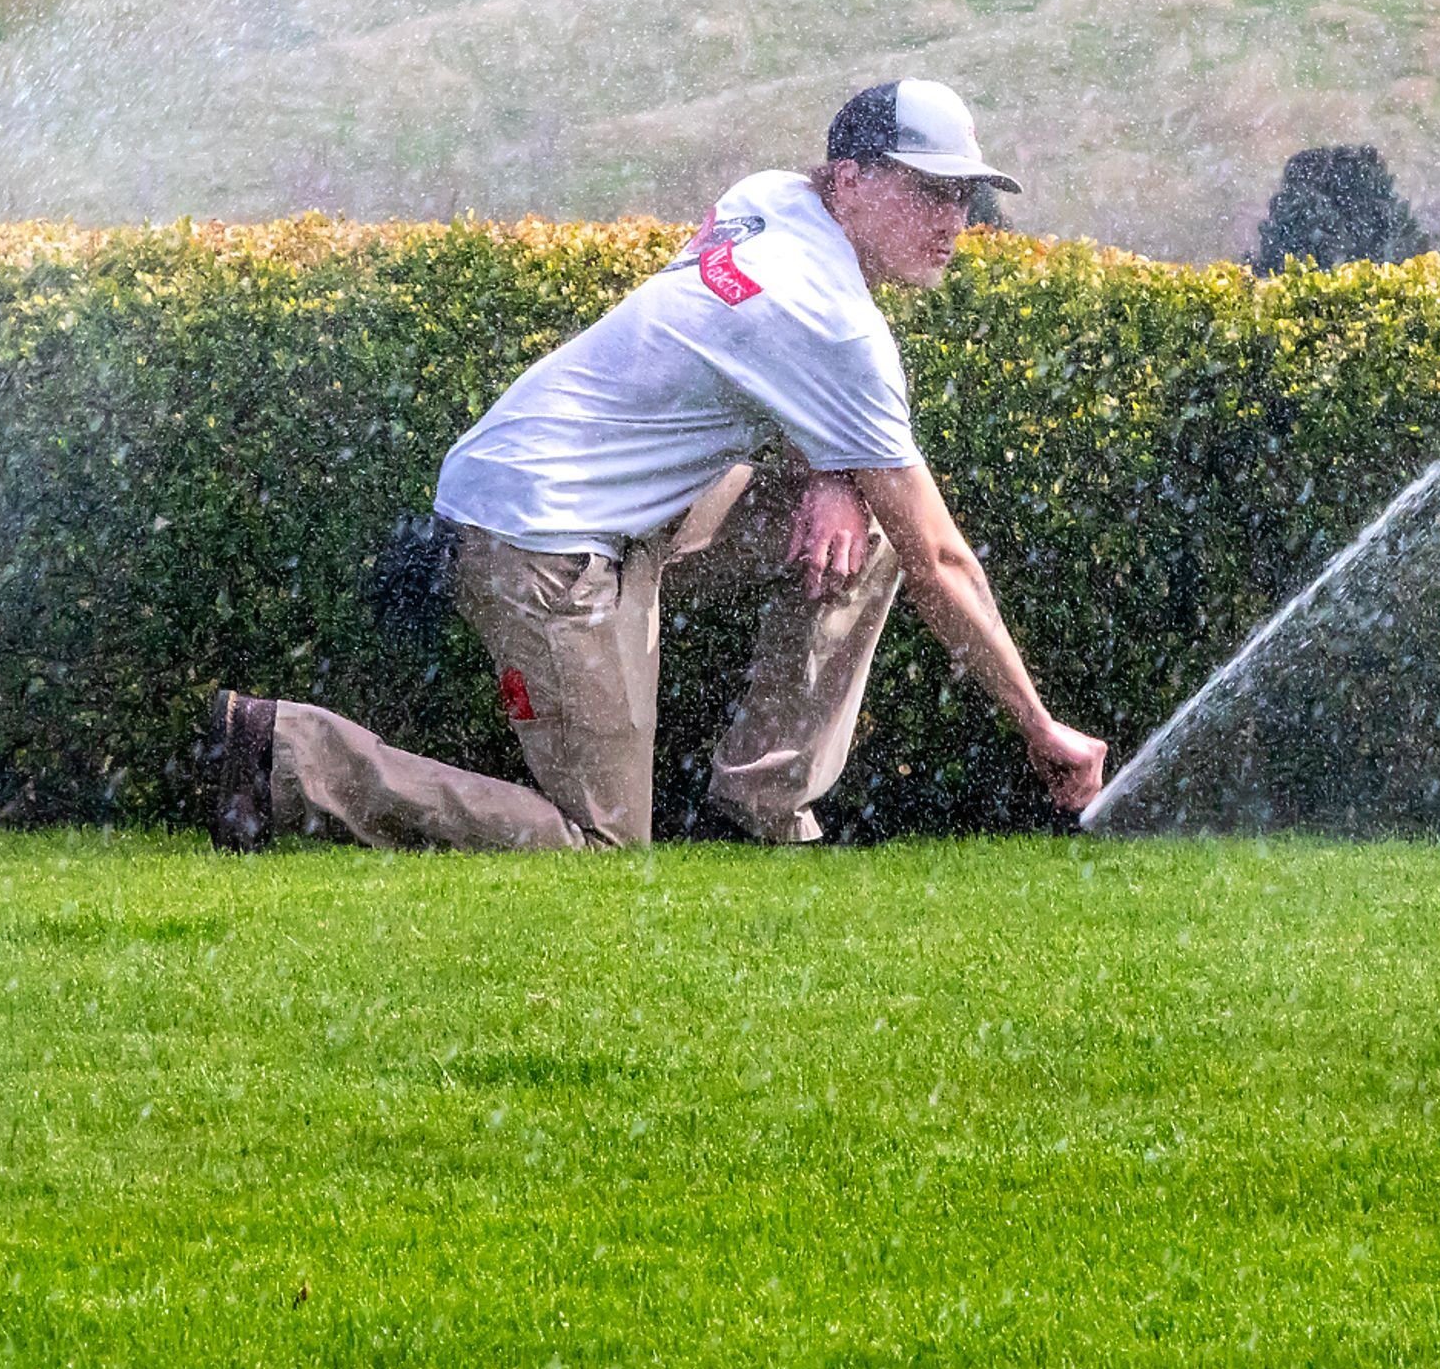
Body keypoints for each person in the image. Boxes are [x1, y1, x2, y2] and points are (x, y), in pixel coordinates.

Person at [203, 80, 1111, 852]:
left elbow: (753, 355)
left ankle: (760, 813)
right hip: (545, 540)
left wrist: (834, 477)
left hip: (575, 498)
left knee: (864, 523)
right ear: (850, 180)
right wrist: (1038, 727)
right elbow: (942, 560)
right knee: (597, 845)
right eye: (930, 191)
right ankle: (283, 752)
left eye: (965, 196)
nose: (956, 221)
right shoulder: (839, 326)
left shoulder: (771, 198)